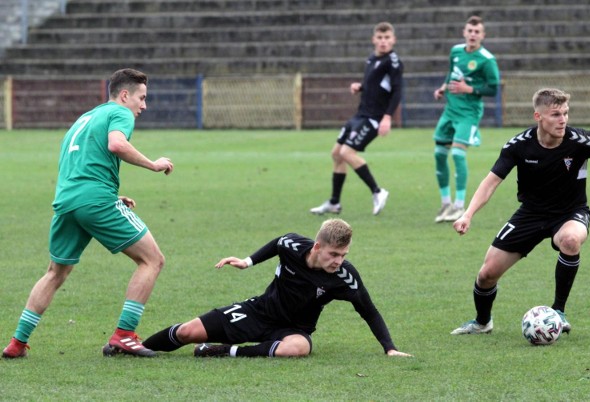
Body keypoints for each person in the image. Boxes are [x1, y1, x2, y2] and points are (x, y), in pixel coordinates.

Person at [2, 68, 174, 359]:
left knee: (55, 272)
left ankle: (17, 343)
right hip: (93, 200)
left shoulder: (85, 118)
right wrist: (153, 164)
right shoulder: (121, 114)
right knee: (152, 260)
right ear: (124, 95)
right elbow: (116, 144)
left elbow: (79, 162)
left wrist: (106, 194)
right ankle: (124, 335)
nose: (143, 105)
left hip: (67, 200)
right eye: (141, 98)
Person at [450, 88, 590, 335]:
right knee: (487, 274)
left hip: (571, 212)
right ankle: (482, 322)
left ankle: (559, 312)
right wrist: (467, 214)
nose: (563, 119)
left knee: (570, 240)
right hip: (531, 214)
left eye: (566, 113)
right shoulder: (519, 145)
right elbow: (491, 181)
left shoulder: (580, 140)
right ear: (538, 117)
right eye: (556, 114)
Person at [142, 218, 412, 359]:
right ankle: (133, 348)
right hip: (259, 310)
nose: (338, 261)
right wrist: (247, 262)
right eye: (333, 254)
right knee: (188, 331)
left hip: (294, 330)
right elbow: (277, 243)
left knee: (296, 349)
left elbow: (369, 311)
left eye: (343, 255)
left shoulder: (345, 277)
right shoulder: (293, 245)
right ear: (317, 247)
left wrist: (389, 347)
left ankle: (225, 351)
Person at [310, 22, 403, 216]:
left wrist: (387, 118)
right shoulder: (372, 59)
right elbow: (377, 85)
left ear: (393, 40)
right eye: (380, 38)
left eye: (387, 38)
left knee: (346, 152)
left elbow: (396, 92)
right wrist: (360, 87)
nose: (383, 42)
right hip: (360, 114)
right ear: (374, 40)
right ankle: (334, 202)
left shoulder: (393, 62)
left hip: (374, 118)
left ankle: (378, 191)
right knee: (336, 153)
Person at [432, 15, 500, 223]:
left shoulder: (487, 60)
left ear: (482, 35)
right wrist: (443, 88)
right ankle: (446, 203)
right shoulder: (456, 51)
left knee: (458, 155)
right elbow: (452, 73)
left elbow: (493, 88)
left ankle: (459, 206)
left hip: (468, 114)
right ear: (464, 33)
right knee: (439, 154)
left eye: (477, 32)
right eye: (470, 31)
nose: (473, 35)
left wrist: (468, 89)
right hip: (450, 110)